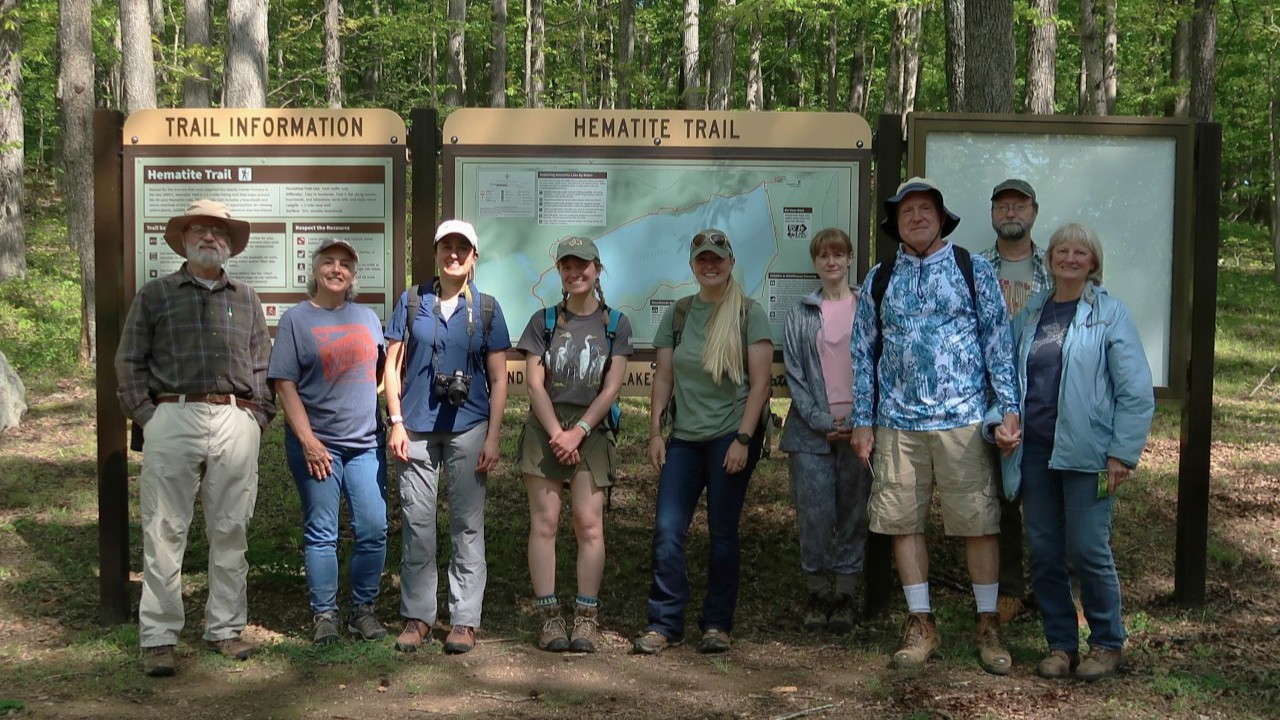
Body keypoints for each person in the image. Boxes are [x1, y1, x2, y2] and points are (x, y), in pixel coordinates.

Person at [850, 178, 1020, 674]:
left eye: (926, 209)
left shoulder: (974, 270)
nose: (917, 217)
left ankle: (988, 623)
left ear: (941, 217)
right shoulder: (880, 278)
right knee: (903, 522)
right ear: (896, 224)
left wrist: (1008, 406)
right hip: (897, 423)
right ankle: (921, 622)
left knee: (979, 523)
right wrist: (863, 420)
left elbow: (997, 341)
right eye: (907, 212)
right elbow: (862, 354)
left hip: (964, 419)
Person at [115, 199, 276, 677]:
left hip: (234, 420)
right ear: (184, 240)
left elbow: (262, 364)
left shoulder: (245, 297)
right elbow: (129, 362)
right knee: (165, 529)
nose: (210, 238)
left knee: (231, 527)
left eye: (219, 232)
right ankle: (160, 637)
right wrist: (149, 416)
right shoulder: (156, 294)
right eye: (201, 230)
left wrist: (258, 417)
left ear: (230, 244)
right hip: (172, 416)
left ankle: (225, 629)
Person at [989, 222, 1153, 682]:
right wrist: (1000, 423)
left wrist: (1122, 453)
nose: (1070, 258)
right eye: (1062, 250)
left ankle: (1106, 643)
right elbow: (1007, 379)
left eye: (1080, 252)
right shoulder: (1032, 313)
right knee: (1043, 552)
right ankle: (1060, 645)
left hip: (1091, 455)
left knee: (1086, 549)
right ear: (1051, 259)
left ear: (1093, 262)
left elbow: (1136, 391)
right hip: (1036, 452)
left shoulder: (1111, 314)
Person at [634, 229, 773, 656]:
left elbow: (762, 383)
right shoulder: (678, 314)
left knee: (722, 532)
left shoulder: (750, 314)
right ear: (693, 266)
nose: (710, 265)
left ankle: (717, 624)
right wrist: (656, 433)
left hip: (730, 436)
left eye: (717, 258)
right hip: (685, 440)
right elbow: (663, 377)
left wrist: (744, 439)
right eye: (702, 260)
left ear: (731, 262)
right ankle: (665, 623)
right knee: (668, 528)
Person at [384, 219, 510, 656]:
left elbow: (499, 377)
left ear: (474, 256)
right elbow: (392, 363)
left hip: (470, 427)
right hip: (416, 426)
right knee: (418, 526)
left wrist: (494, 437)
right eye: (446, 247)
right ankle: (418, 616)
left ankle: (463, 619)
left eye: (462, 248)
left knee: (467, 526)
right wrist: (395, 420)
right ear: (436, 253)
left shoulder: (488, 309)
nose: (454, 254)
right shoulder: (413, 299)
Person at [515, 237, 633, 653]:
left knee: (589, 526)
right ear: (560, 272)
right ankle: (549, 619)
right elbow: (534, 382)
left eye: (582, 265)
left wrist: (578, 431)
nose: (575, 272)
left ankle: (586, 618)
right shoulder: (543, 321)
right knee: (544, 525)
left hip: (592, 433)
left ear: (597, 269)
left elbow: (612, 387)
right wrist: (557, 434)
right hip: (545, 431)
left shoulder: (615, 324)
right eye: (567, 265)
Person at [268, 238, 389, 645]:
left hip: (365, 444)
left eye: (345, 264)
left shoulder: (369, 318)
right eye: (329, 262)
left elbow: (380, 373)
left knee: (373, 527)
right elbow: (284, 384)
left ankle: (363, 609)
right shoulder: (296, 320)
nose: (337, 269)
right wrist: (309, 440)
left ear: (353, 275)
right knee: (322, 531)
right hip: (316, 446)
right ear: (315, 269)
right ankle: (325, 615)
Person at [779, 228, 871, 633]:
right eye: (823, 255)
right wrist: (819, 420)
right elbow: (794, 375)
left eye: (838, 254)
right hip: (809, 433)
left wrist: (860, 420)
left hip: (860, 431)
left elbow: (879, 363)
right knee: (814, 517)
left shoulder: (867, 306)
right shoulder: (800, 312)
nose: (831, 261)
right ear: (815, 263)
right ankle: (817, 594)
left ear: (850, 258)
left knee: (854, 514)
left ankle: (846, 596)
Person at [979, 178, 1052, 625]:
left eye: (1019, 206)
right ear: (992, 215)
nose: (1011, 213)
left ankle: (1058, 591)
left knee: (1051, 502)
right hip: (988, 401)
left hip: (1045, 399)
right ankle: (1008, 590)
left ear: (1034, 212)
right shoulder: (973, 268)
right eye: (1002, 206)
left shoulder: (1056, 264)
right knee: (1000, 502)